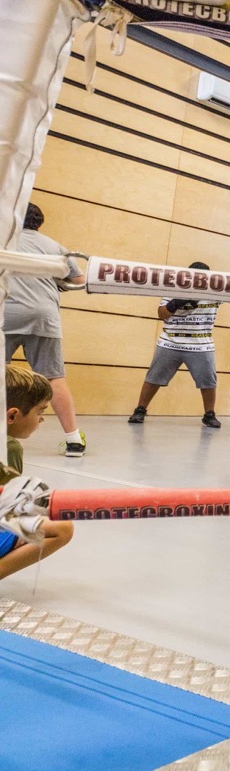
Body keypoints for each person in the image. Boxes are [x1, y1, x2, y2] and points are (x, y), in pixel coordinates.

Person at [3, 203, 87, 457]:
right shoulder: (54, 246)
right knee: (54, 377)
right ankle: (74, 440)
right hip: (44, 315)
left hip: (6, 312)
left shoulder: (4, 238)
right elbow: (79, 280)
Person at [0, 365, 74, 581]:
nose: (41, 419)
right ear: (12, 415)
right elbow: (8, 509)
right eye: (39, 411)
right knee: (61, 528)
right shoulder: (8, 447)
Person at [127, 262, 222, 429]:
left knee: (208, 381)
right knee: (153, 378)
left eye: (201, 278)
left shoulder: (215, 292)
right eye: (194, 277)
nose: (197, 280)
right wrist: (175, 303)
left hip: (201, 345)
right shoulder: (173, 289)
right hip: (170, 342)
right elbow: (161, 314)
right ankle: (140, 410)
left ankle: (209, 414)